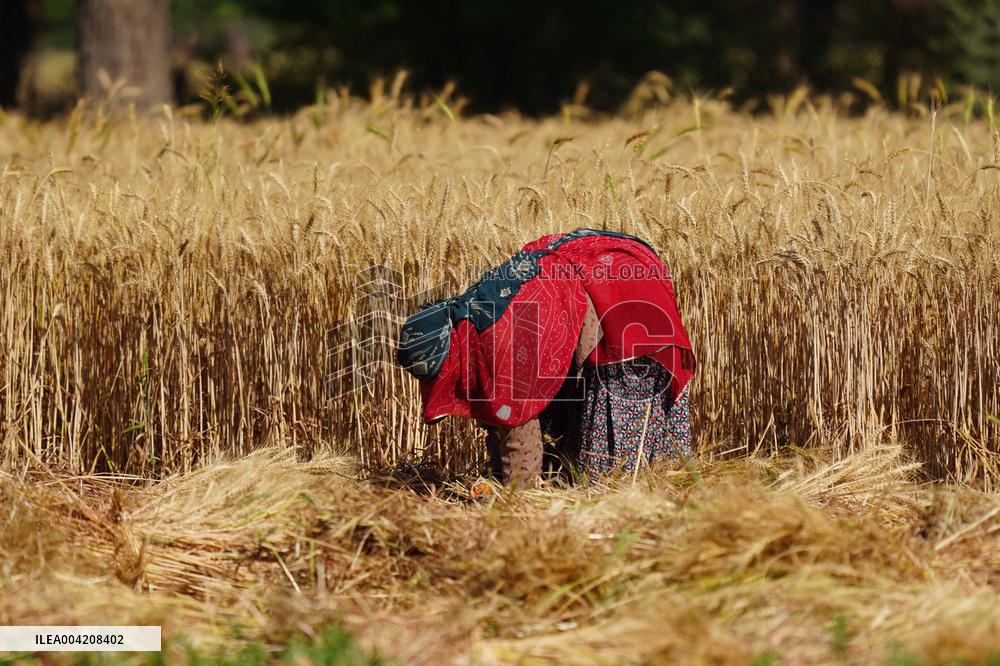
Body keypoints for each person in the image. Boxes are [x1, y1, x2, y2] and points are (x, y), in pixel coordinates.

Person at [397, 228, 696, 484]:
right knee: (577, 450)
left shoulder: (500, 345)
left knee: (607, 475)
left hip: (621, 297)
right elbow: (498, 416)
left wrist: (515, 500)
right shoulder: (468, 323)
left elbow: (517, 433)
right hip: (597, 273)